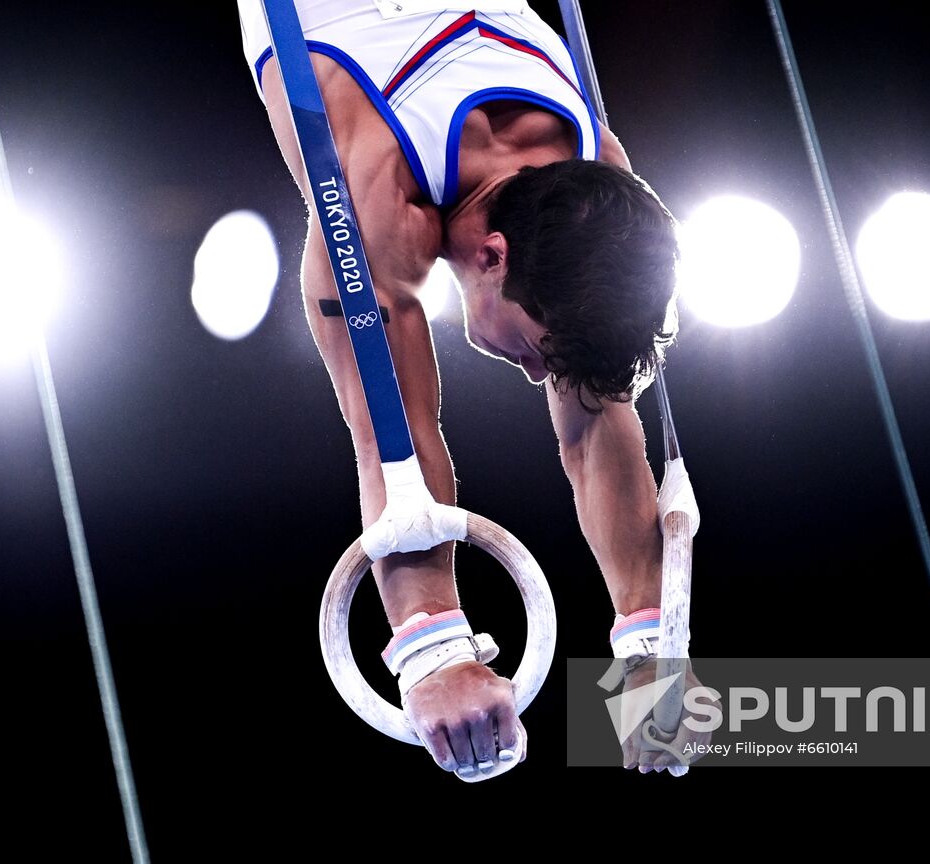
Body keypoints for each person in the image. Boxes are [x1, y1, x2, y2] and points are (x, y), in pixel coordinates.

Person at [236, 0, 713, 779]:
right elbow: (392, 441)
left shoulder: (599, 197)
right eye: (538, 349)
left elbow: (596, 421)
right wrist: (435, 646)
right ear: (491, 256)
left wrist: (653, 642)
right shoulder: (371, 209)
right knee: (387, 392)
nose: (535, 370)